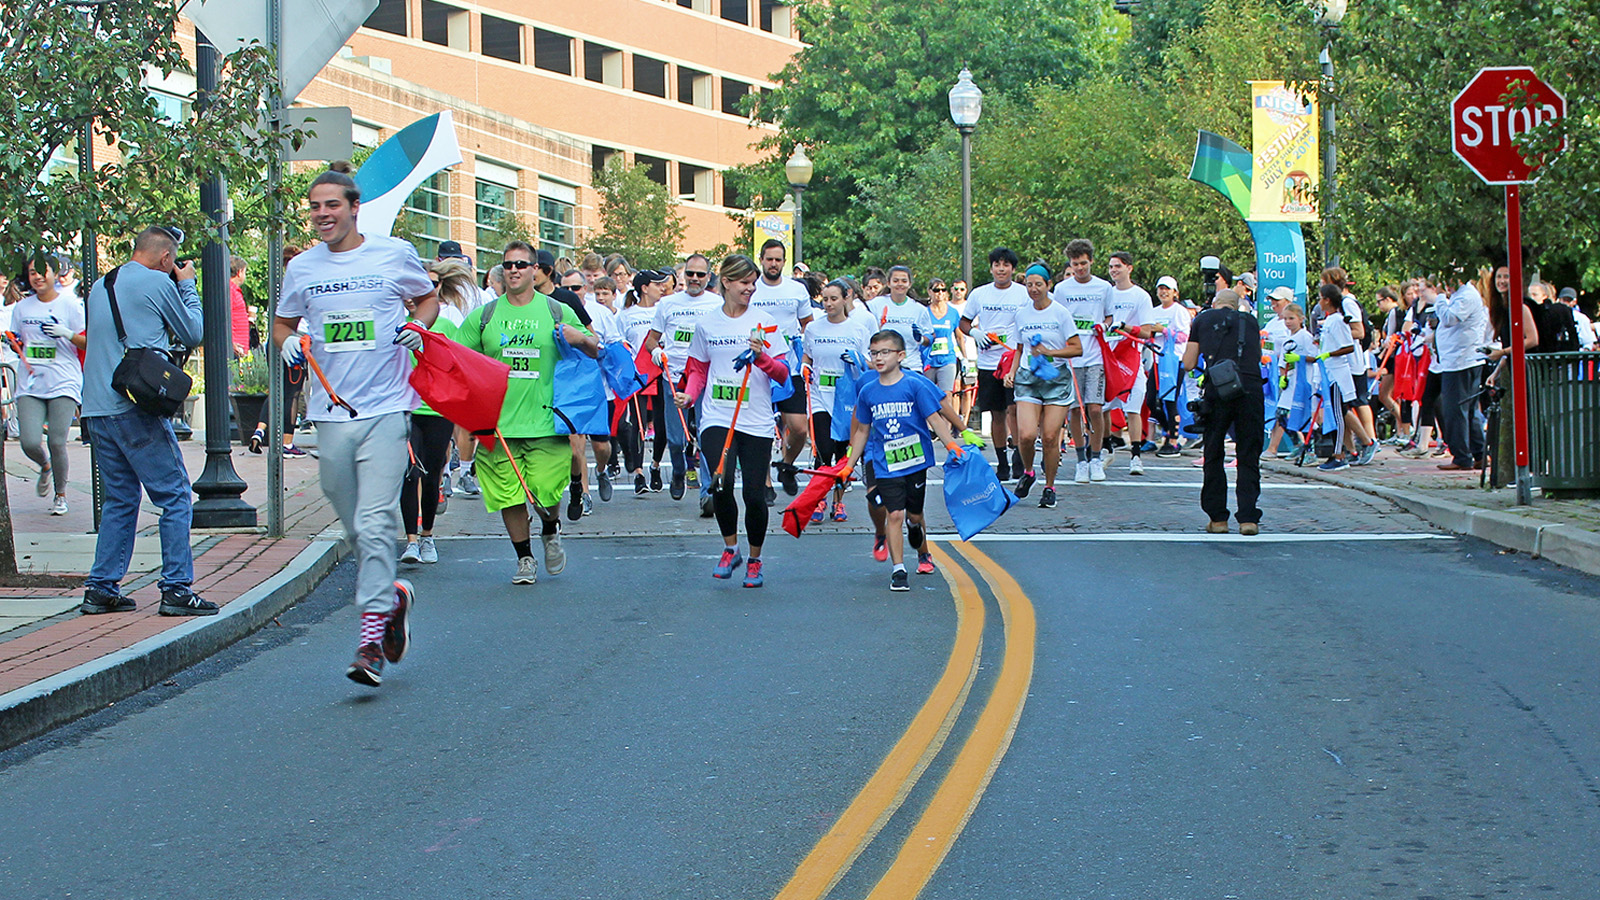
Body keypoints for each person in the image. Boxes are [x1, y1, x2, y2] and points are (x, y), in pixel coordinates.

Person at [276, 164, 437, 686]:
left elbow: (427, 297)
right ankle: (392, 596)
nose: (323, 215)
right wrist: (286, 345)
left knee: (373, 524)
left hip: (389, 409)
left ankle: (369, 642)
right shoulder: (301, 268)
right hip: (330, 413)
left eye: (332, 206)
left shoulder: (393, 254)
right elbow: (282, 322)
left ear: (353, 206)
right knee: (353, 525)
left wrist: (417, 324)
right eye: (315, 207)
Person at [79, 226, 210, 617]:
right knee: (174, 495)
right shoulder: (159, 282)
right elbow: (193, 332)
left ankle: (101, 588)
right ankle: (176, 588)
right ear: (166, 259)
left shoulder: (101, 285)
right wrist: (186, 285)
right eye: (173, 263)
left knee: (120, 498)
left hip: (96, 409)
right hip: (134, 406)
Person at [458, 241, 597, 585]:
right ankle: (524, 559)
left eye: (521, 264)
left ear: (535, 270)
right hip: (500, 425)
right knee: (508, 495)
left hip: (547, 422)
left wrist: (577, 338)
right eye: (507, 265)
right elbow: (458, 359)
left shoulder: (555, 310)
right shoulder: (485, 316)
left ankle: (550, 527)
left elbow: (596, 347)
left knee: (546, 493)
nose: (514, 270)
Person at [674, 254, 788, 588]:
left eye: (753, 283)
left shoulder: (765, 322)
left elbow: (783, 375)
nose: (751, 289)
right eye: (744, 283)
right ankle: (730, 548)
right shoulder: (707, 324)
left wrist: (762, 357)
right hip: (717, 415)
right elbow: (698, 369)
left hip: (755, 418)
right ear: (726, 282)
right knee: (720, 483)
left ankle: (754, 559)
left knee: (754, 494)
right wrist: (690, 396)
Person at [843, 330, 965, 591]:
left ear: (900, 356)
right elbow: (863, 430)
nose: (878, 358)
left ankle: (915, 526)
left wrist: (952, 443)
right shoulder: (867, 391)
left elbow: (934, 418)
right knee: (894, 513)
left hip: (916, 461)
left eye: (885, 352)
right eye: (874, 353)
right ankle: (899, 569)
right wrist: (849, 464)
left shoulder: (915, 385)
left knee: (914, 513)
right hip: (885, 462)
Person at [399, 258, 474, 565]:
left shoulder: (447, 324)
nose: (422, 291)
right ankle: (411, 541)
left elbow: (457, 366)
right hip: (405, 408)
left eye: (430, 285)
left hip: (437, 409)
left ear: (439, 288)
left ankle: (428, 536)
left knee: (430, 475)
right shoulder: (395, 319)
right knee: (408, 472)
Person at [1182, 289, 1263, 535]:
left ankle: (1218, 518)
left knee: (1214, 451)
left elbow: (1188, 362)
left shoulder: (1202, 319)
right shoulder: (1250, 321)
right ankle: (1248, 518)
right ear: (1238, 305)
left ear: (1216, 304)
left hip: (1219, 387)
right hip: (1249, 387)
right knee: (1248, 452)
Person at [645, 252, 721, 508]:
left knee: (708, 435)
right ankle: (678, 470)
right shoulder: (668, 304)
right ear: (683, 275)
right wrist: (656, 351)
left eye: (701, 274)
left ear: (708, 277)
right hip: (674, 375)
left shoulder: (716, 303)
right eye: (690, 274)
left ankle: (707, 493)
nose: (695, 279)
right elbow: (651, 340)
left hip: (705, 378)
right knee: (676, 438)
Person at [1003, 262, 1082, 508]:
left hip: (1056, 378)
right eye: (1029, 285)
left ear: (1048, 285)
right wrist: (1011, 371)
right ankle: (1028, 472)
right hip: (1028, 377)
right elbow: (1019, 348)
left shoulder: (1060, 313)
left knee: (1049, 437)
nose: (1034, 289)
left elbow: (1077, 348)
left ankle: (1050, 486)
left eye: (1039, 284)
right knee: (1026, 435)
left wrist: (1051, 351)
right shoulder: (1022, 314)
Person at [13, 254, 86, 515]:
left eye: (43, 271)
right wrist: (14, 342)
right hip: (31, 382)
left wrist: (66, 334)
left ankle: (61, 495)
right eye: (33, 272)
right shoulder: (22, 308)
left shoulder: (71, 305)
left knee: (57, 440)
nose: (38, 277)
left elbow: (87, 341)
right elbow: (18, 339)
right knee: (30, 442)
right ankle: (44, 466)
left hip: (63, 381)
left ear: (56, 274)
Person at [802, 278, 873, 522]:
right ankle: (820, 499)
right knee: (823, 450)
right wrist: (804, 367)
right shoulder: (813, 328)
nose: (829, 304)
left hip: (846, 399)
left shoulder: (858, 330)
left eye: (834, 299)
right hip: (821, 396)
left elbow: (870, 364)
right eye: (825, 299)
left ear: (846, 299)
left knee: (843, 452)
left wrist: (859, 360)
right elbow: (807, 356)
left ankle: (838, 502)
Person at [749, 239, 814, 495]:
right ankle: (764, 482)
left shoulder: (796, 290)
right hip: (758, 367)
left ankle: (786, 464)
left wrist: (806, 353)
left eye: (778, 259)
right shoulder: (751, 289)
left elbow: (808, 323)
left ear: (784, 262)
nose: (773, 264)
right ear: (761, 260)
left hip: (790, 367)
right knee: (761, 426)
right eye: (769, 259)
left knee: (798, 427)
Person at [959, 247, 1027, 480]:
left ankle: (1020, 457)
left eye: (1006, 265)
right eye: (997, 264)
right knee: (997, 414)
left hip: (1014, 361)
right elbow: (964, 322)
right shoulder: (979, 294)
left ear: (1013, 269)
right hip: (988, 363)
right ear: (991, 268)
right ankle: (1002, 463)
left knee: (1015, 410)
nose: (1001, 269)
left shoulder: (1023, 293)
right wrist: (975, 333)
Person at [1052, 238, 1114, 483]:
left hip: (1095, 354)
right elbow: (1056, 318)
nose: (1079, 268)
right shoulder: (1063, 289)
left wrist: (1104, 326)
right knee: (1074, 409)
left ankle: (1096, 457)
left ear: (1091, 262)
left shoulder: (1104, 287)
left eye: (1084, 264)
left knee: (1096, 407)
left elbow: (1109, 316)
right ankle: (1081, 460)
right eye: (1075, 264)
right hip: (1072, 357)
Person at [618, 269, 671, 494]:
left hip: (660, 373)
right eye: (657, 284)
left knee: (662, 425)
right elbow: (619, 341)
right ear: (644, 288)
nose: (661, 288)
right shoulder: (625, 315)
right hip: (638, 374)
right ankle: (639, 474)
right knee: (638, 424)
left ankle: (656, 464)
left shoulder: (665, 309)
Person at [1432, 269, 1489, 472]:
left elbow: (1449, 318)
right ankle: (1478, 453)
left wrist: (1438, 297)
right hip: (1458, 360)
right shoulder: (1460, 296)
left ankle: (1462, 456)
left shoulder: (1466, 296)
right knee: (1468, 410)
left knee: (1455, 410)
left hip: (1461, 361)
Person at [1105, 251, 1156, 475]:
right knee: (1103, 406)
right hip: (1108, 357)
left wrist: (1125, 327)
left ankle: (1136, 456)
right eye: (1111, 267)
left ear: (1129, 268)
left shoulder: (1140, 296)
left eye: (1118, 266)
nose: (1114, 270)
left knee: (1133, 408)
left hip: (1131, 358)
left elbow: (1147, 331)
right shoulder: (1106, 294)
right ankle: (1106, 447)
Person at [1147, 275, 1192, 457]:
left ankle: (1173, 440)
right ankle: (1168, 429)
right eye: (1160, 288)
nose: (1163, 292)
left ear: (1175, 292)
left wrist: (1164, 330)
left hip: (1174, 360)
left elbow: (1184, 337)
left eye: (1167, 289)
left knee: (1170, 400)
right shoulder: (1153, 311)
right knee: (1151, 400)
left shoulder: (1179, 311)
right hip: (1157, 360)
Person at [1267, 303, 1315, 460]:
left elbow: (1315, 356)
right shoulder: (1288, 339)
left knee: (1304, 415)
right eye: (1286, 319)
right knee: (1282, 415)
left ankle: (1310, 449)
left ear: (1301, 319)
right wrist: (1283, 377)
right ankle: (1297, 445)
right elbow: (1283, 361)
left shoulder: (1306, 337)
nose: (1288, 322)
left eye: (1291, 318)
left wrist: (1299, 359)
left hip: (1303, 380)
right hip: (1290, 382)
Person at [923, 276, 963, 421]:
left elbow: (959, 336)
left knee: (947, 393)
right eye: (936, 290)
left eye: (942, 290)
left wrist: (965, 358)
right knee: (927, 393)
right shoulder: (924, 313)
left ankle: (947, 426)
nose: (939, 293)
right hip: (929, 358)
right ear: (929, 292)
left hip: (948, 358)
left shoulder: (953, 312)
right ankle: (930, 426)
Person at [227, 255, 250, 358]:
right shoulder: (230, 291)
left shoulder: (233, 291)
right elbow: (224, 318)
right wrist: (231, 343)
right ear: (239, 272)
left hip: (237, 349)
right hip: (234, 349)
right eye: (244, 272)